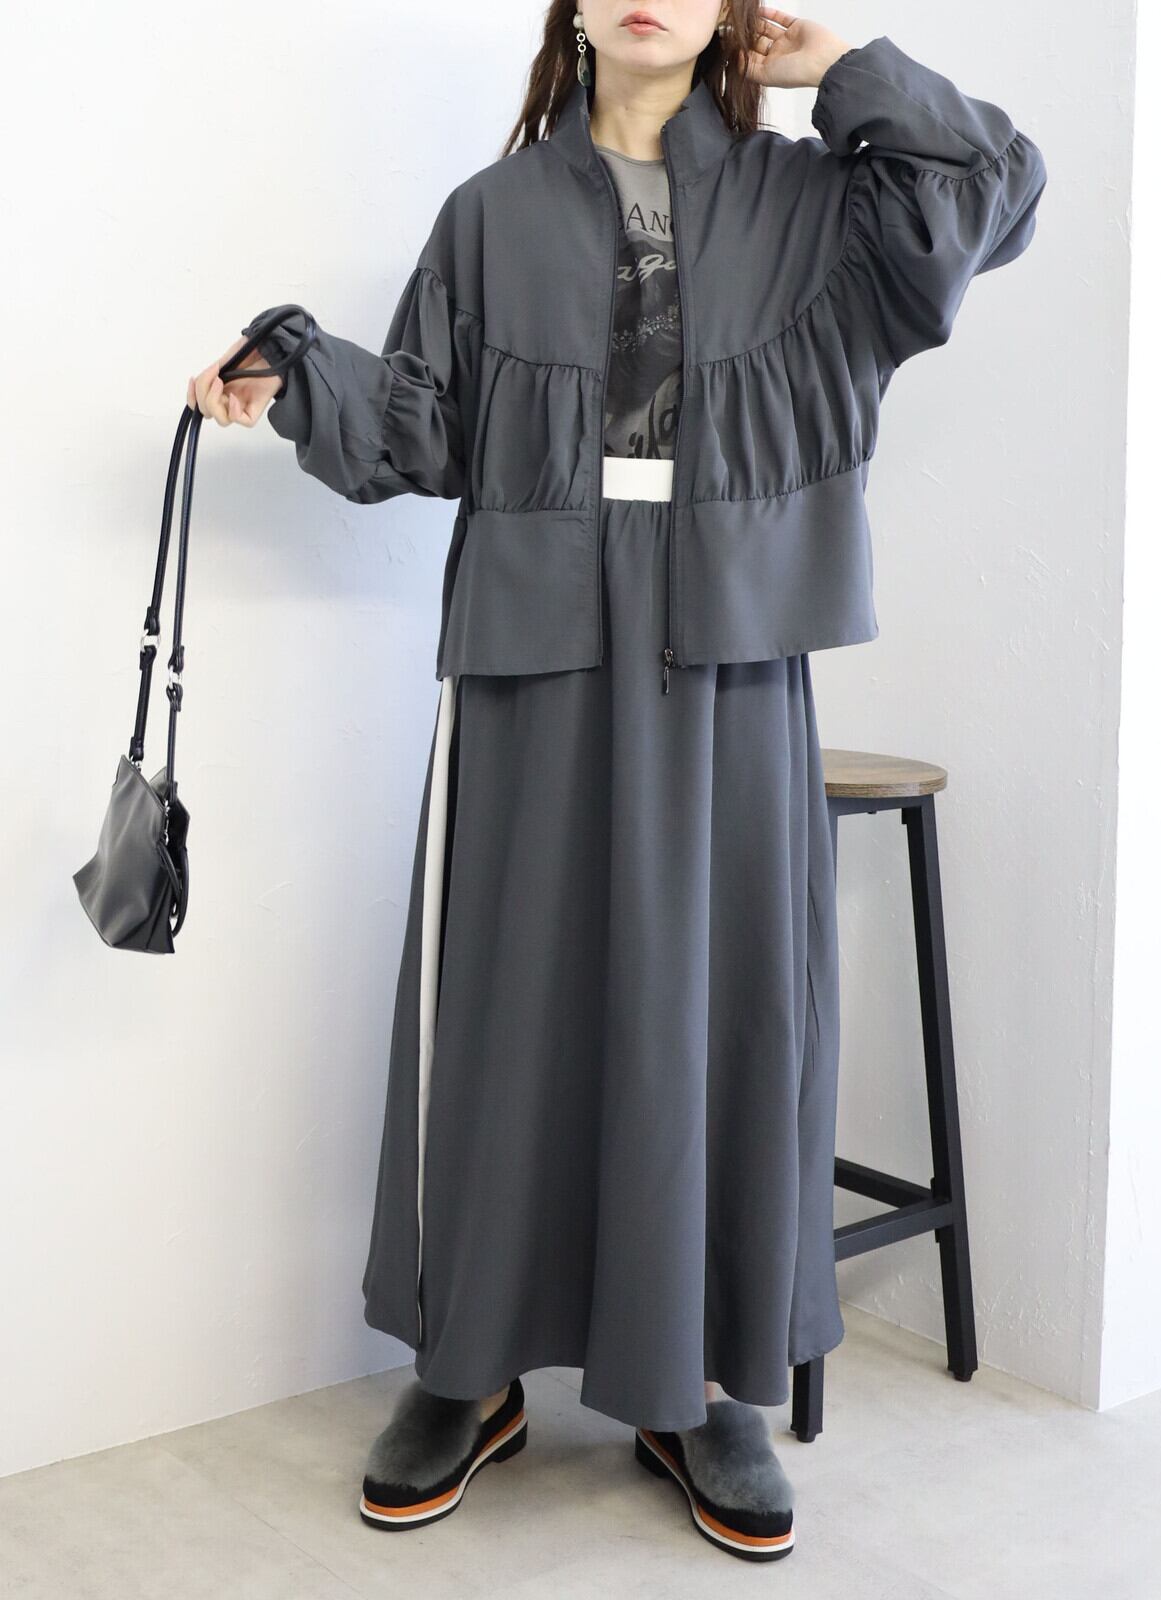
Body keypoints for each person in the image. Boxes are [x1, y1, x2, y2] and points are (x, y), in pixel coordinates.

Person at [189, 0, 1045, 1563]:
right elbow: (425, 431)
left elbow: (996, 187)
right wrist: (294, 374)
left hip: (732, 636)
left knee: (721, 1003)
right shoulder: (491, 212)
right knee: (507, 996)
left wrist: (840, 72)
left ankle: (696, 1383)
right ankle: (469, 1371)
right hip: (534, 632)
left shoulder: (813, 200)